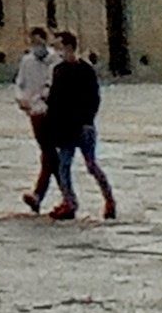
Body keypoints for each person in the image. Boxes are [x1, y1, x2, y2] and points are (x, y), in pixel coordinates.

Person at [41, 30, 117, 220]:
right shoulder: (59, 70)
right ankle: (70, 202)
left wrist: (87, 120)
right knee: (64, 166)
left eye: (58, 47)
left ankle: (109, 200)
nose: (56, 51)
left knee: (91, 165)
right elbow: (55, 101)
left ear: (68, 47)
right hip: (66, 127)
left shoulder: (85, 70)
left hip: (83, 126)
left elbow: (94, 97)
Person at [14, 27, 58, 212]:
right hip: (34, 112)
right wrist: (20, 98)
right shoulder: (27, 61)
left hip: (53, 112)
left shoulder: (55, 60)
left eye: (39, 42)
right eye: (33, 42)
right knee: (49, 154)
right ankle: (44, 195)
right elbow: (19, 83)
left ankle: (41, 194)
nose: (36, 46)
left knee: (51, 155)